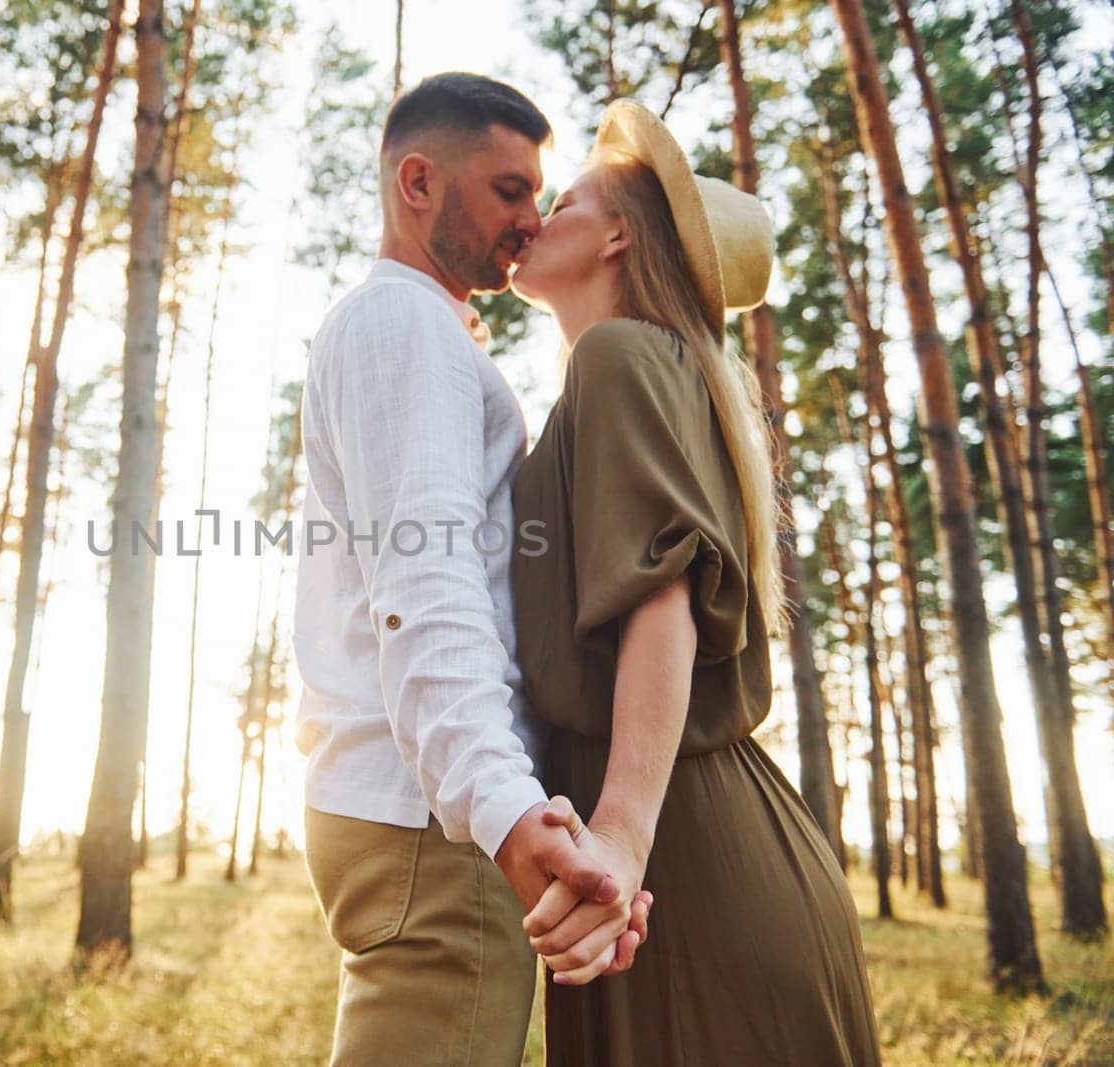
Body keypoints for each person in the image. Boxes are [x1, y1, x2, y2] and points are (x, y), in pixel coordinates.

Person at [507, 98, 881, 1064]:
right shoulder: (653, 372)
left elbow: (660, 600)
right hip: (710, 833)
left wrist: (624, 834)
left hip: (676, 853)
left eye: (568, 201)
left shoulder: (622, 356)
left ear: (619, 233)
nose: (536, 213)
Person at [292, 74, 649, 1065]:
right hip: (434, 819)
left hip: (415, 803)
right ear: (417, 182)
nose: (530, 219)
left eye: (537, 193)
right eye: (506, 189)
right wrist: (500, 807)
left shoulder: (417, 327)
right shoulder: (404, 326)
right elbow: (426, 585)